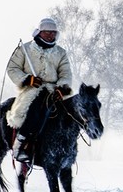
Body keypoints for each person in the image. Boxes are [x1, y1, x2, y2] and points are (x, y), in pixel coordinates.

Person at [6, 17, 74, 165]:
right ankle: (20, 144)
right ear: (40, 32)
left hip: (53, 90)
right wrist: (27, 79)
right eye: (48, 32)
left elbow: (65, 73)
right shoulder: (25, 49)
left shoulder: (61, 53)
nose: (51, 35)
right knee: (35, 109)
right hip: (31, 90)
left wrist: (62, 87)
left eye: (53, 33)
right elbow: (12, 69)